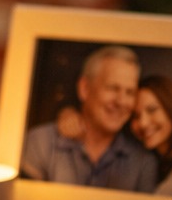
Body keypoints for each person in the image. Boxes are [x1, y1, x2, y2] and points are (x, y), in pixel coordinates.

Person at [20, 45, 158, 191]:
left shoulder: (143, 163)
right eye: (112, 88)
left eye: (130, 92)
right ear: (84, 88)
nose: (121, 101)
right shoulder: (40, 143)